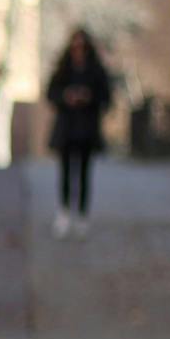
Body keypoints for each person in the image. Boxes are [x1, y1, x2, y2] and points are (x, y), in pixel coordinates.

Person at [45, 28, 112, 238]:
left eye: (82, 47)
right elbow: (50, 93)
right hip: (66, 129)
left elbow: (106, 97)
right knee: (65, 173)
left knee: (83, 174)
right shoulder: (63, 69)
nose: (78, 51)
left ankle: (82, 215)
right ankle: (64, 212)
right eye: (75, 46)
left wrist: (88, 98)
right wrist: (66, 97)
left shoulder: (95, 70)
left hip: (87, 129)